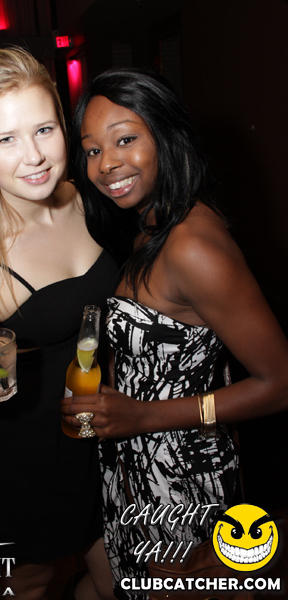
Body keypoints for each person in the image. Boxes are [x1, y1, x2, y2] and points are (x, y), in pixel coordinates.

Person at [60, 69, 288, 599]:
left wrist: (142, 416)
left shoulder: (191, 246)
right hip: (141, 467)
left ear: (165, 135)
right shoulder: (152, 223)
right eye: (92, 150)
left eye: (124, 139)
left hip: (183, 485)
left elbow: (280, 383)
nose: (105, 164)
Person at [0, 47, 117, 600]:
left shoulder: (90, 200)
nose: (34, 156)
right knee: (29, 584)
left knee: (120, 581)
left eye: (44, 129)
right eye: (6, 139)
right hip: (21, 456)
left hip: (99, 431)